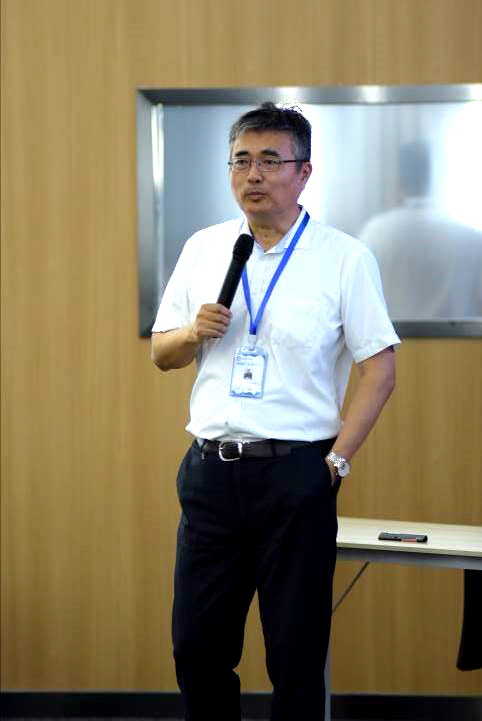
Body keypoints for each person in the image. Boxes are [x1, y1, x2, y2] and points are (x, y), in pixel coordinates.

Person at [151, 102, 400, 721]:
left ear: (303, 172)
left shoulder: (344, 257)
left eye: (269, 160)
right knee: (196, 648)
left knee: (295, 654)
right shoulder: (205, 248)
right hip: (211, 473)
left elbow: (379, 369)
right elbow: (162, 354)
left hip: (297, 475)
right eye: (241, 161)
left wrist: (336, 462)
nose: (253, 174)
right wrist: (192, 333)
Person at [359, 140, 482, 319]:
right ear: (442, 178)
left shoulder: (374, 233)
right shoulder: (472, 238)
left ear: (399, 181)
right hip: (457, 338)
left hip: (387, 336)